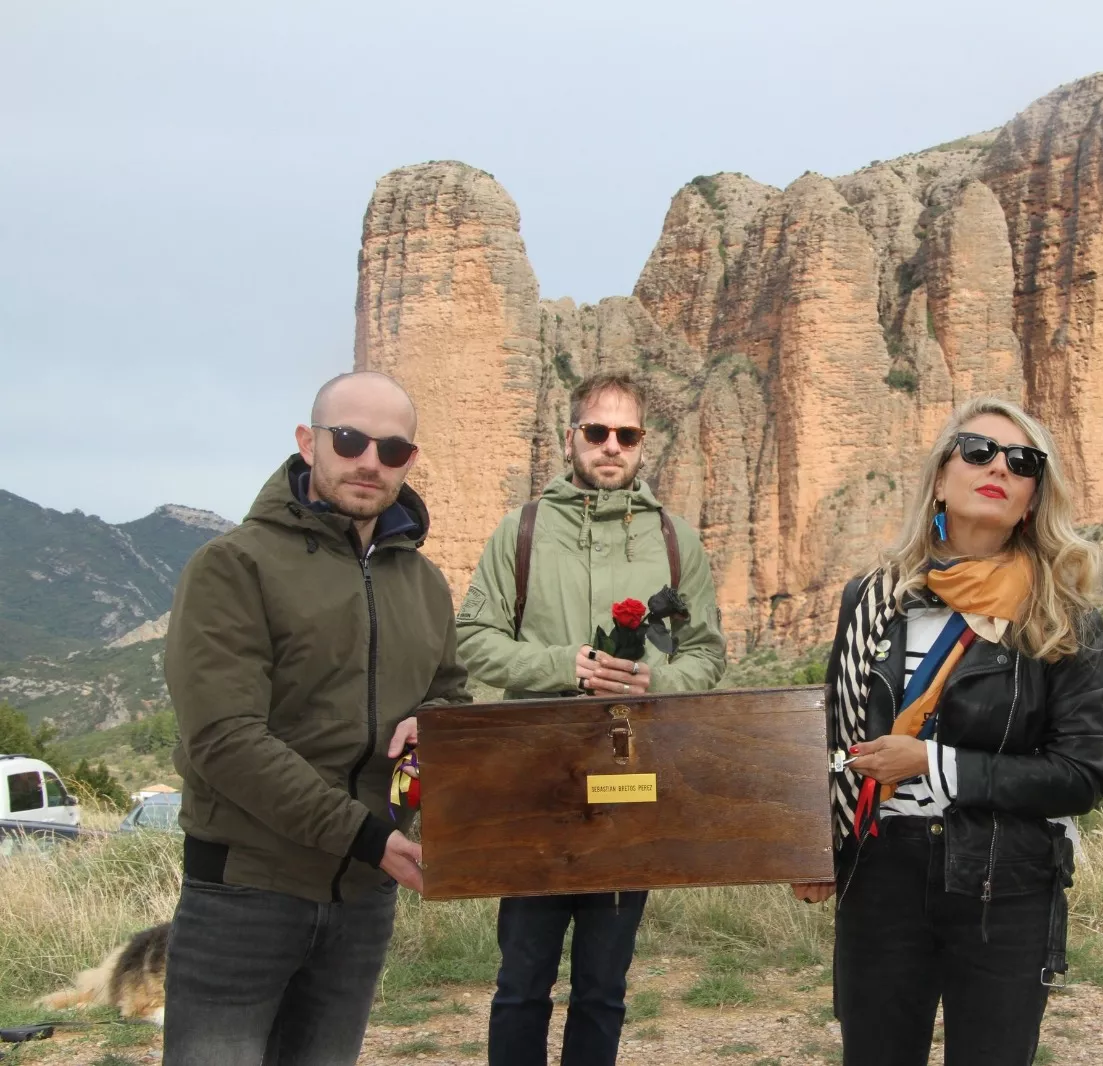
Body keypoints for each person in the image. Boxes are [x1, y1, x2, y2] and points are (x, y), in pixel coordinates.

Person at [162, 370, 471, 1066]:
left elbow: (450, 693)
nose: (369, 462)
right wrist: (367, 837)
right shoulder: (233, 565)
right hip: (245, 891)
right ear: (309, 442)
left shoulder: (424, 584)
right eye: (350, 439)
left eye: (392, 449)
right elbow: (224, 739)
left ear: (410, 461)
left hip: (364, 899)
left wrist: (436, 725)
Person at [796, 396, 1103, 1066]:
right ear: (941, 477)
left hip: (1007, 881)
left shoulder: (1064, 617)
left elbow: (1079, 776)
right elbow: (832, 735)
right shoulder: (872, 598)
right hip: (880, 872)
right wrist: (813, 846)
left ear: (1032, 500)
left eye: (1022, 462)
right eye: (978, 451)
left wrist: (932, 764)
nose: (999, 467)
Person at [456, 371, 727, 1066]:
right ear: (569, 436)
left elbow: (705, 654)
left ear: (642, 444)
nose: (611, 446)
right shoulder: (519, 532)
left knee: (604, 987)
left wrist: (655, 679)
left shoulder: (675, 540)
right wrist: (563, 666)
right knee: (521, 982)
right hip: (536, 781)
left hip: (628, 782)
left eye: (626, 434)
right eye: (597, 431)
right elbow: (473, 640)